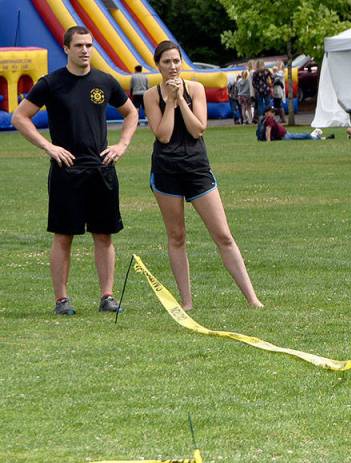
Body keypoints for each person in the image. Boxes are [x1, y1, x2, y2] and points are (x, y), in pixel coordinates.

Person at [12, 25, 138, 315]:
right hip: (66, 171)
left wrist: (122, 144)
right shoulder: (51, 83)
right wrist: (49, 147)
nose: (85, 50)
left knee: (104, 235)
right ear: (66, 48)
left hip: (101, 169)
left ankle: (107, 297)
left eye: (89, 45)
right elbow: (20, 117)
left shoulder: (105, 81)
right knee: (63, 236)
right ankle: (62, 300)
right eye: (79, 45)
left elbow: (131, 113)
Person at [144, 40, 262, 310]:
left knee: (223, 235)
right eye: (167, 62)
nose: (173, 66)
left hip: (196, 169)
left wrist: (180, 100)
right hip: (166, 171)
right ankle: (186, 302)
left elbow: (198, 129)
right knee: (177, 237)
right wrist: (169, 103)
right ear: (157, 65)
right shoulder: (151, 96)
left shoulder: (195, 89)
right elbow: (163, 135)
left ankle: (253, 299)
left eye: (176, 61)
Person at [259, 107, 331, 141]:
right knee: (304, 136)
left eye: (273, 112)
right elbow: (268, 129)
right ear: (267, 113)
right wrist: (268, 141)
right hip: (284, 136)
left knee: (303, 137)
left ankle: (319, 137)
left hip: (285, 134)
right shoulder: (269, 119)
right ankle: (319, 137)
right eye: (272, 112)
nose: (273, 113)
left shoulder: (266, 119)